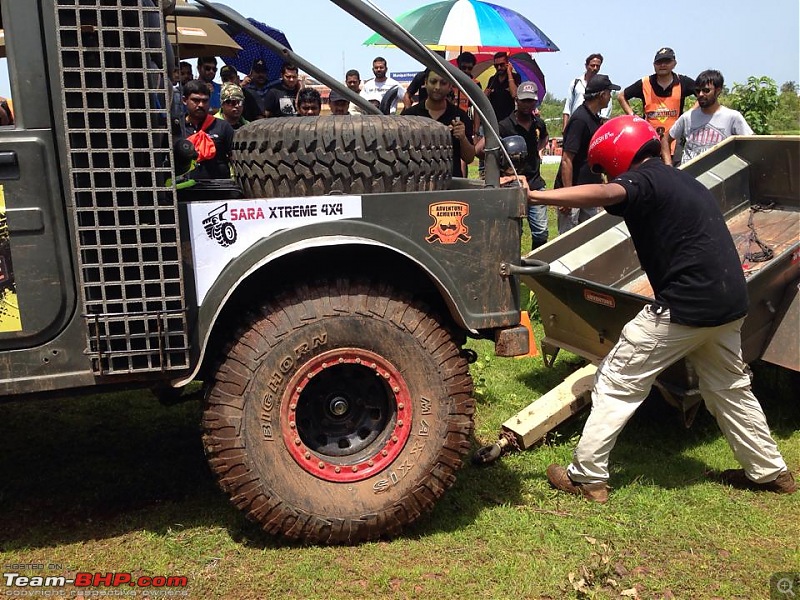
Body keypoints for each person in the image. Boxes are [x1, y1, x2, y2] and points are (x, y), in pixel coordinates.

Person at [519, 115, 796, 502]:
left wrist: (536, 197)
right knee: (729, 388)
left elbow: (606, 196)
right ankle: (769, 473)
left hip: (686, 305)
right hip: (729, 302)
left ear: (617, 156)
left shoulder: (645, 179)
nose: (604, 178)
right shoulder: (677, 176)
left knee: (618, 378)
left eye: (604, 169)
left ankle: (586, 476)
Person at [555, 74, 619, 234]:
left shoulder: (594, 119)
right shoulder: (580, 120)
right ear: (602, 94)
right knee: (568, 242)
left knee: (589, 238)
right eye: (609, 93)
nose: (610, 97)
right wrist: (567, 196)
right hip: (574, 191)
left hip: (589, 190)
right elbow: (566, 159)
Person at [617, 47, 696, 162]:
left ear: (674, 63)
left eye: (667, 62)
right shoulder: (645, 83)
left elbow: (702, 92)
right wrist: (633, 116)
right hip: (650, 140)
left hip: (674, 140)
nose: (662, 65)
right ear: (654, 65)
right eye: (659, 62)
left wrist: (690, 114)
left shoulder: (682, 82)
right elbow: (621, 96)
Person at [663, 69, 753, 165]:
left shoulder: (732, 117)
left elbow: (752, 144)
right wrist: (669, 167)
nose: (701, 94)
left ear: (718, 91)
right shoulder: (688, 117)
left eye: (706, 90)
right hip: (689, 176)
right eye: (698, 91)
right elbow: (665, 139)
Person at [498, 81, 549, 249]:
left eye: (531, 100)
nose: (527, 104)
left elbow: (545, 137)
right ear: (516, 100)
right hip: (512, 184)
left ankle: (536, 263)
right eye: (524, 100)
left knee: (541, 232)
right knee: (513, 232)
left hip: (534, 183)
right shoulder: (504, 126)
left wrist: (539, 150)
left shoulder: (539, 124)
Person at [402, 68, 474, 178]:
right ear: (425, 83)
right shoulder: (409, 116)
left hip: (450, 185)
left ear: (450, 86)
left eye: (443, 83)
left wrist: (462, 138)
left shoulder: (460, 117)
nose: (437, 87)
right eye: (433, 81)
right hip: (417, 183)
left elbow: (469, 158)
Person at [182, 79, 234, 180]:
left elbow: (234, 158)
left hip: (220, 190)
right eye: (196, 100)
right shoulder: (175, 128)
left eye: (205, 101)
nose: (201, 105)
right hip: (185, 190)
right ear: (184, 100)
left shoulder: (223, 127)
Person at [562, 53, 611, 129]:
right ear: (586, 66)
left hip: (594, 125)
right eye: (592, 65)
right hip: (576, 123)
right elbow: (567, 107)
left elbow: (605, 114)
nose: (595, 68)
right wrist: (564, 129)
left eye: (598, 66)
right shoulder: (576, 83)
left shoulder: (602, 86)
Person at [484, 51, 521, 122]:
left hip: (509, 120)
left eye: (502, 65)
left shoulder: (515, 77)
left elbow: (514, 94)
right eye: (496, 65)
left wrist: (509, 72)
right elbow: (486, 98)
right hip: (494, 119)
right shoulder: (492, 79)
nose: (499, 67)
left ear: (507, 64)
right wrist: (486, 94)